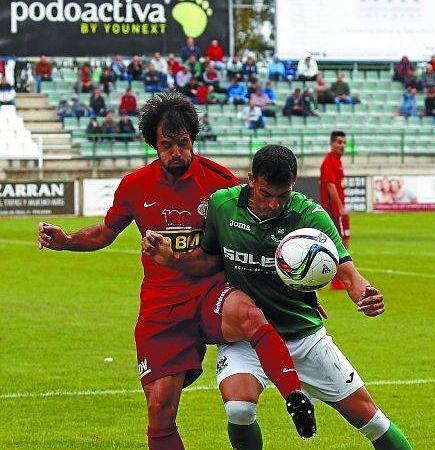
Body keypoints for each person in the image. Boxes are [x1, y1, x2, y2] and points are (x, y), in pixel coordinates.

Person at [38, 92, 315, 449]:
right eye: (166, 144)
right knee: (159, 408)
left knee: (249, 314)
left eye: (182, 143)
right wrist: (66, 241)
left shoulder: (220, 182)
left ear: (192, 140)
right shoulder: (135, 186)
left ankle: (295, 396)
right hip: (162, 305)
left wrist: (297, 290)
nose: (176, 152)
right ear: (153, 143)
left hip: (210, 292)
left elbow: (254, 240)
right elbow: (105, 232)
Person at [144, 144, 413, 450]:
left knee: (372, 421)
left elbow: (349, 274)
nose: (273, 205)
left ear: (293, 185)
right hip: (247, 338)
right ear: (250, 180)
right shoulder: (222, 205)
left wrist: (366, 295)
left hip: (303, 336)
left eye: (282, 196)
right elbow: (209, 260)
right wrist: (172, 259)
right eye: (265, 194)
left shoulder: (309, 216)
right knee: (239, 408)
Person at [320, 131, 349, 290]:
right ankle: (337, 281)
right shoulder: (329, 161)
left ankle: (335, 279)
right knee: (341, 243)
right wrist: (340, 207)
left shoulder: (337, 161)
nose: (342, 145)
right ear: (331, 143)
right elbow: (330, 185)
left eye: (344, 142)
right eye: (339, 142)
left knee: (342, 242)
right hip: (334, 210)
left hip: (338, 209)